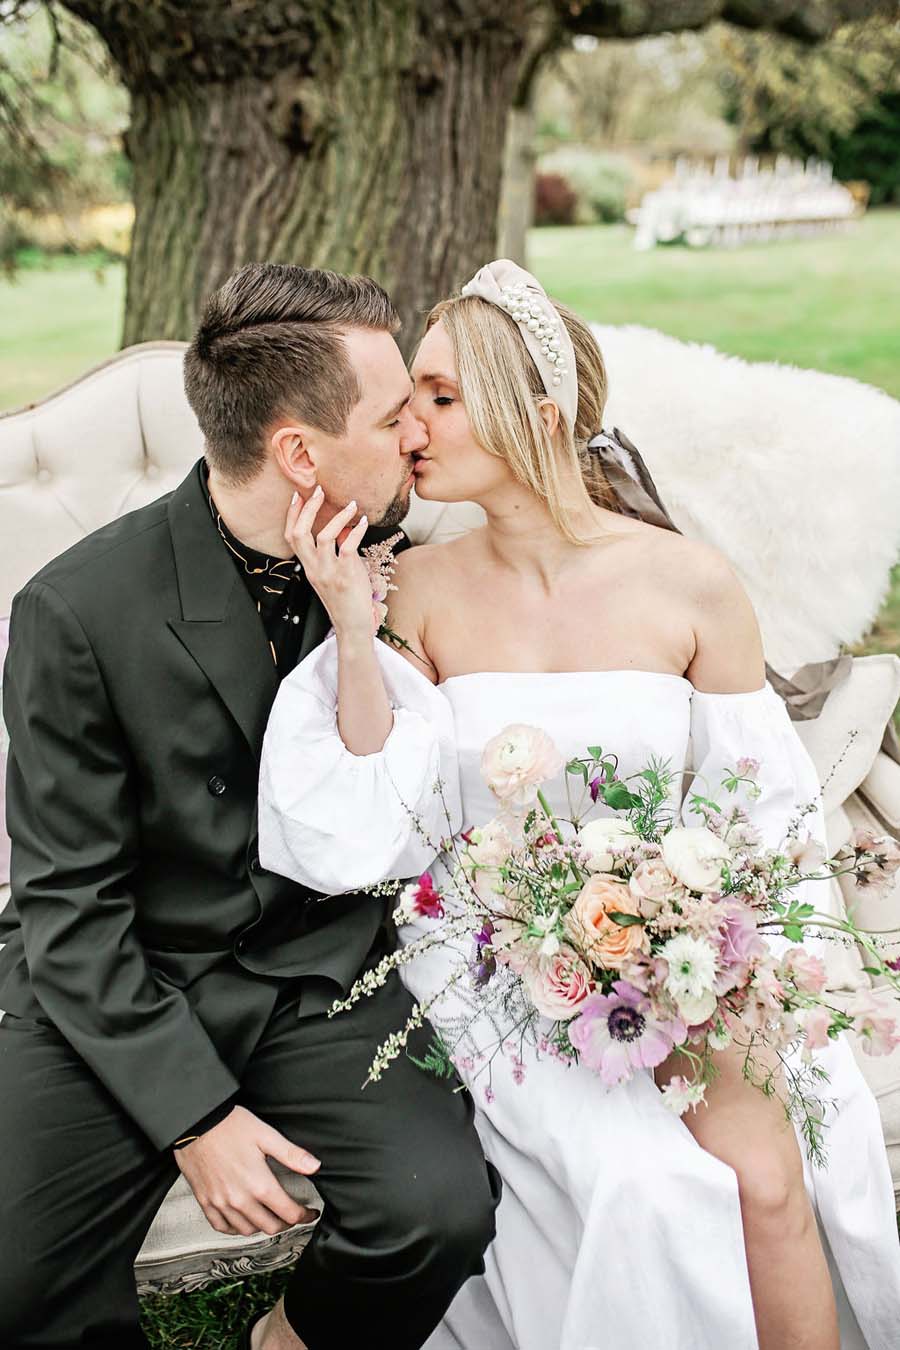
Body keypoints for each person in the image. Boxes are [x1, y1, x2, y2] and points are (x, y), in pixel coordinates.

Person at [258, 259, 900, 1350]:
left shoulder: (690, 582)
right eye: (407, 397)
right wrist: (354, 635)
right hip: (494, 953)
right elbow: (372, 806)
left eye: (441, 398)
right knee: (645, 1188)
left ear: (540, 417)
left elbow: (766, 810)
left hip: (689, 942)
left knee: (779, 1175)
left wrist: (719, 952)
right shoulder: (410, 586)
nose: (409, 425)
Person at [0, 262, 499, 1350]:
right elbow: (69, 906)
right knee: (14, 1287)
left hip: (317, 970)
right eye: (390, 413)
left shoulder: (398, 573)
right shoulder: (75, 613)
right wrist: (194, 1118)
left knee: (437, 1213)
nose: (416, 432)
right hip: (133, 974)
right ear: (299, 453)